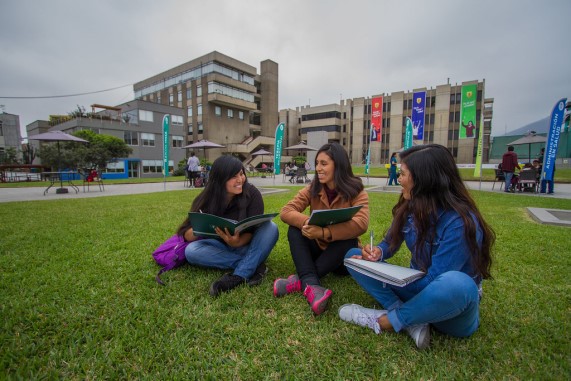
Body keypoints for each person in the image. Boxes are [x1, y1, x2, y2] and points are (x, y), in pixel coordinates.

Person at [339, 144, 495, 350]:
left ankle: (386, 320)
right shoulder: (413, 206)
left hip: (447, 305)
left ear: (425, 180)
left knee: (459, 284)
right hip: (417, 286)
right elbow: (390, 243)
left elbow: (434, 282)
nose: (399, 179)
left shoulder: (460, 223)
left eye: (403, 174)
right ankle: (412, 321)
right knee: (353, 256)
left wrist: (389, 279)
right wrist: (377, 253)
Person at [274, 143, 369, 315]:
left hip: (340, 258)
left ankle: (301, 280)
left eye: (324, 164)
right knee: (295, 229)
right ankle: (313, 286)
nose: (318, 168)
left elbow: (361, 223)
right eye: (317, 163)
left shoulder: (357, 190)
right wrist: (310, 223)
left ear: (338, 165)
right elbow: (286, 212)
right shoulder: (313, 188)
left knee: (349, 239)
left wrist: (325, 232)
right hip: (317, 248)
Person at [176, 155, 279, 297]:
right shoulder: (206, 198)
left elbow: (252, 231)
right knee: (191, 251)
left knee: (271, 227)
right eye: (233, 176)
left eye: (241, 174)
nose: (240, 180)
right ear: (220, 179)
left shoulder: (252, 194)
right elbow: (186, 235)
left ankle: (238, 276)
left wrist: (237, 242)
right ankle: (252, 267)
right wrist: (200, 226)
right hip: (219, 248)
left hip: (247, 247)